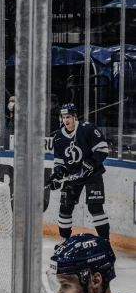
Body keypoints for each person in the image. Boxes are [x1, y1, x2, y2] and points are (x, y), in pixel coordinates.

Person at [49, 103, 110, 246]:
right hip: (73, 175)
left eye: (68, 117)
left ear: (75, 116)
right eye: (63, 117)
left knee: (95, 207)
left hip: (92, 174)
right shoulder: (58, 137)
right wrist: (57, 175)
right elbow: (59, 163)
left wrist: (92, 163)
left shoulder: (87, 128)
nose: (66, 121)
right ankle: (64, 242)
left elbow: (103, 149)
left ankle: (105, 242)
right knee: (65, 207)